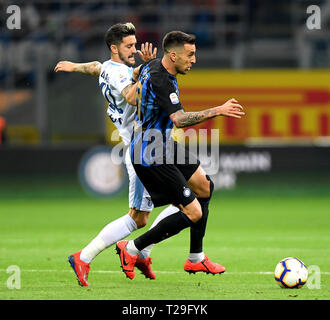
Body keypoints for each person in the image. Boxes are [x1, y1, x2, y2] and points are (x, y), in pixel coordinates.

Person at [54, 23, 222, 286]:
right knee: (140, 218)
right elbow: (131, 97)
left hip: (158, 144)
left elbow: (95, 67)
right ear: (114, 48)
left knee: (200, 189)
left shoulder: (109, 68)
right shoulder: (122, 75)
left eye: (135, 44)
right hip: (142, 148)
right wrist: (145, 72)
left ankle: (151, 253)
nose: (134, 49)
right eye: (128, 46)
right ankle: (88, 256)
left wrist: (73, 66)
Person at [115, 30, 245, 280]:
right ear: (173, 55)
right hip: (150, 152)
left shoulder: (154, 65)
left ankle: (196, 258)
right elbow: (180, 119)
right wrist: (218, 109)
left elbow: (135, 79)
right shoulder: (162, 80)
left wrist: (139, 69)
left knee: (205, 187)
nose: (194, 60)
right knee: (193, 212)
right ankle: (131, 248)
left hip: (161, 144)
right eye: (190, 55)